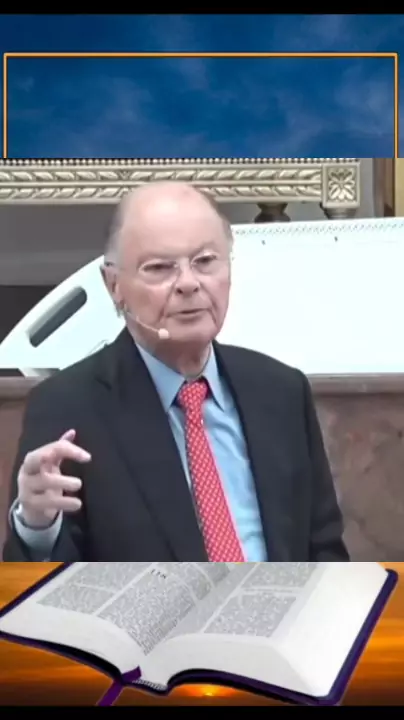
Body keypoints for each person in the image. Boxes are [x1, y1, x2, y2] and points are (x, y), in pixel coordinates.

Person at [2, 182, 349, 562]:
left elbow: (325, 554)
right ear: (114, 285)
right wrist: (37, 527)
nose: (188, 283)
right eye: (159, 268)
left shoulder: (281, 391)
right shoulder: (68, 406)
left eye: (205, 261)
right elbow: (46, 586)